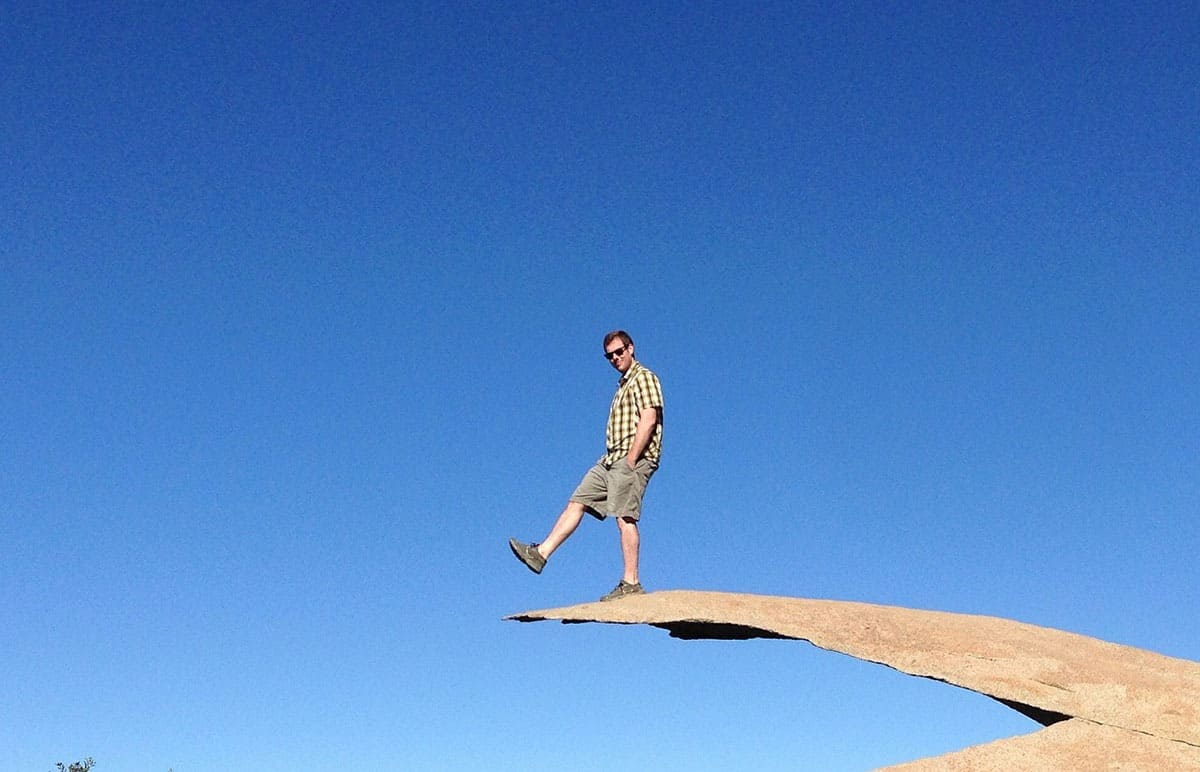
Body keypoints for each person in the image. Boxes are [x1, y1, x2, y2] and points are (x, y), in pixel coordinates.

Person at [509, 330, 664, 601]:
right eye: (610, 356)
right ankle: (541, 554)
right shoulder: (622, 385)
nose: (615, 358)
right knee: (577, 501)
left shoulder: (644, 377)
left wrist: (631, 459)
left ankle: (631, 583)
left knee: (624, 516)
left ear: (631, 348)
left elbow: (649, 419)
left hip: (632, 458)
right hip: (610, 459)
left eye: (619, 351)